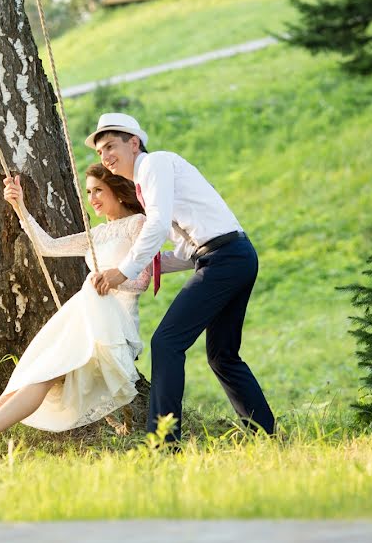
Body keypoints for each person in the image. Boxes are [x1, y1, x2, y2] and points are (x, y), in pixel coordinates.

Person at [0, 163, 152, 462]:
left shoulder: (138, 225)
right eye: (89, 192)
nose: (93, 198)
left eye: (99, 190)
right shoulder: (98, 233)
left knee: (41, 378)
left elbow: (143, 279)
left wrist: (111, 277)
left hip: (111, 325)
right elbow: (48, 247)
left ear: (118, 192)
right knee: (29, 377)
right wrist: (19, 207)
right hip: (84, 316)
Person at [88, 113, 275, 441]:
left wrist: (124, 270)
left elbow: (158, 224)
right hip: (229, 256)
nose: (105, 157)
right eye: (100, 152)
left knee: (167, 341)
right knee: (222, 355)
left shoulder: (154, 164)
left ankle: (163, 441)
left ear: (134, 143)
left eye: (111, 146)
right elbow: (188, 252)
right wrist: (143, 264)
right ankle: (265, 433)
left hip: (225, 259)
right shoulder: (147, 179)